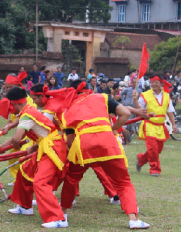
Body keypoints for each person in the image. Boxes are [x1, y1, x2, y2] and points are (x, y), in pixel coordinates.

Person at [60, 80, 150, 229]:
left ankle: (63, 216)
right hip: (108, 142)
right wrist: (113, 128)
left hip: (84, 145)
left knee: (71, 180)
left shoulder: (68, 110)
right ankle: (133, 220)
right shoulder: (102, 97)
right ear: (89, 89)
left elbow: (69, 141)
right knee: (123, 183)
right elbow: (126, 113)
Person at [0, 87, 67, 228]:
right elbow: (20, 130)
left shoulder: (27, 115)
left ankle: (58, 219)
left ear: (14, 103)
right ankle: (25, 207)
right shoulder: (28, 110)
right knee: (24, 171)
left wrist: (14, 145)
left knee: (40, 182)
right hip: (46, 146)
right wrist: (5, 145)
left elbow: (18, 138)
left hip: (52, 148)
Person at [134, 75, 177, 177]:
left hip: (160, 126)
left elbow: (170, 112)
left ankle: (141, 159)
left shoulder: (166, 96)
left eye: (156, 82)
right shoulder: (145, 95)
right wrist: (135, 99)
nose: (154, 84)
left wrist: (173, 124)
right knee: (152, 149)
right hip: (149, 124)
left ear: (160, 83)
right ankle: (155, 169)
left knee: (158, 149)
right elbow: (139, 109)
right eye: (152, 82)